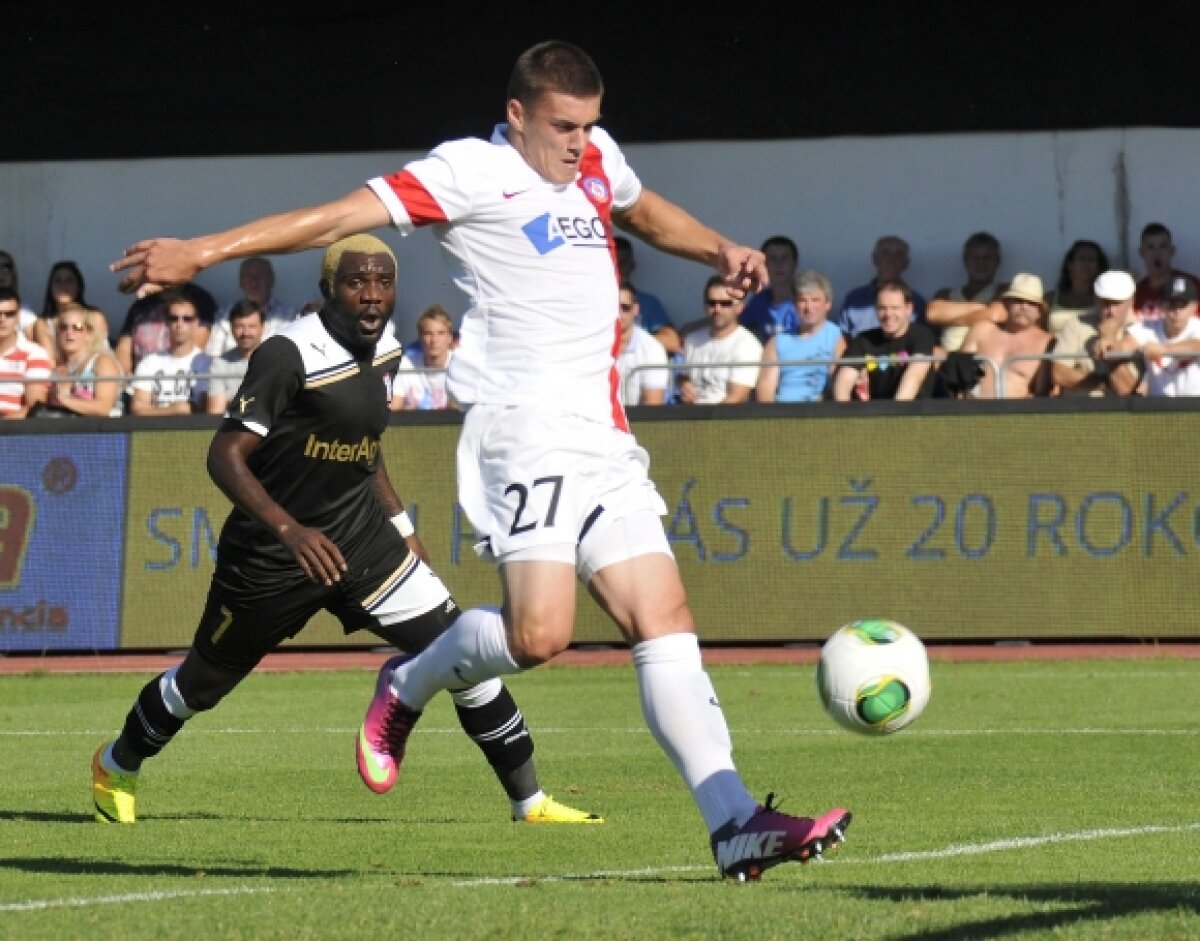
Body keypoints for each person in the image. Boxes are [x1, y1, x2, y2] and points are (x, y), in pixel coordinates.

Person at [111, 39, 850, 881]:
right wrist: (204, 251)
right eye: (564, 127)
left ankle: (734, 821)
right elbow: (337, 216)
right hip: (522, 428)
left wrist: (719, 249)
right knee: (541, 635)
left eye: (590, 126)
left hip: (604, 434)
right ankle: (411, 681)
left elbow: (643, 212)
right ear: (518, 117)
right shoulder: (468, 171)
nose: (580, 143)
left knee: (664, 617)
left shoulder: (598, 160)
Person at [93, 235, 600, 828]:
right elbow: (224, 455)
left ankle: (529, 802)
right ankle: (116, 764)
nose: (372, 296)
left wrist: (401, 525)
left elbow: (366, 450)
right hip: (271, 558)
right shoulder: (288, 354)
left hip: (362, 542)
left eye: (383, 282)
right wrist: (289, 529)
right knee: (201, 683)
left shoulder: (387, 349)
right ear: (327, 291)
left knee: (461, 648)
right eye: (357, 282)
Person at [832, 279, 937, 401]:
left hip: (913, 412)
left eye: (895, 308)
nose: (888, 314)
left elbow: (914, 376)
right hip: (873, 413)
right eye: (882, 308)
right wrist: (844, 416)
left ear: (908, 309)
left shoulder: (922, 336)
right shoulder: (863, 339)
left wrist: (894, 416)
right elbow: (844, 381)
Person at [958, 273, 1058, 399]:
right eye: (1018, 301)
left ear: (1039, 312)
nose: (1024, 307)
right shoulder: (982, 330)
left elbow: (1043, 393)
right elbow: (959, 375)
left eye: (1031, 303)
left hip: (1018, 413)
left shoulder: (1047, 342)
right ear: (1006, 304)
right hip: (972, 410)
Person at [756, 270, 846, 403]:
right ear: (794, 304)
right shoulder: (777, 342)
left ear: (828, 304)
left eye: (815, 300)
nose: (809, 307)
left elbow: (837, 386)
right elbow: (765, 390)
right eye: (802, 300)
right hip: (781, 413)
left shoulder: (837, 338)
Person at [1051, 270, 1143, 397]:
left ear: (1131, 301)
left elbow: (1126, 390)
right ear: (1095, 299)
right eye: (1105, 303)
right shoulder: (1076, 324)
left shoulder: (1141, 332)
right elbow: (1059, 374)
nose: (1111, 310)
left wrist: (1108, 338)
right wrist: (1102, 383)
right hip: (1079, 410)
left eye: (1117, 303)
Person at [678, 276, 763, 405]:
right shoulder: (692, 339)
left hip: (726, 419)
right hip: (689, 417)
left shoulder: (748, 346)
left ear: (740, 307)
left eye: (725, 303)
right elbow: (685, 377)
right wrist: (684, 385)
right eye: (712, 303)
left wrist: (707, 423)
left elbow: (736, 398)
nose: (717, 309)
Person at [128, 291, 212, 415]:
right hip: (157, 430)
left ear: (196, 323)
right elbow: (138, 408)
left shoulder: (208, 363)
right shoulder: (149, 362)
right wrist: (173, 410)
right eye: (174, 318)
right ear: (166, 322)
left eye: (187, 319)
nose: (179, 324)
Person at [115, 280, 217, 375]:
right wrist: (124, 380)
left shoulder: (200, 300)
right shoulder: (142, 303)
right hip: (141, 380)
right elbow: (124, 349)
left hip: (180, 379)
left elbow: (195, 348)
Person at [39, 305, 125, 417]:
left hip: (106, 430)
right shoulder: (57, 371)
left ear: (88, 334)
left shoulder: (102, 362)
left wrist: (63, 400)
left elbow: (103, 408)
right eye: (63, 327)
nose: (69, 332)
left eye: (77, 327)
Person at [205, 256, 297, 356]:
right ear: (241, 282)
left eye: (260, 275)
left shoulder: (289, 316)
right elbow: (213, 355)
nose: (254, 282)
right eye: (248, 276)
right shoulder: (224, 315)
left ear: (271, 280)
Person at [837, 235, 927, 337]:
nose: (891, 259)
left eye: (898, 254)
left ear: (906, 263)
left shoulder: (917, 302)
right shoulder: (854, 299)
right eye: (885, 253)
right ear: (875, 259)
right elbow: (843, 339)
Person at [1127, 274, 1200, 396]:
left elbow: (1196, 346)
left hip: (1195, 404)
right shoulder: (1148, 327)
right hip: (1158, 406)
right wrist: (1109, 343)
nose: (1176, 312)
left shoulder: (1197, 326)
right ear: (1161, 305)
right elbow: (1126, 344)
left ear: (1194, 306)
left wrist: (1163, 349)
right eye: (1171, 304)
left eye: (1182, 305)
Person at [931, 232, 1003, 353]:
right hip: (945, 363)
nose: (981, 263)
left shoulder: (1004, 290)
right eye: (975, 258)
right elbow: (932, 313)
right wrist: (985, 309)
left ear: (997, 261)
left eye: (987, 258)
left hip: (982, 362)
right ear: (965, 260)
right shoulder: (945, 294)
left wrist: (949, 316)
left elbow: (997, 315)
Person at [34, 260, 109, 361]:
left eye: (69, 281)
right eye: (58, 281)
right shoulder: (42, 323)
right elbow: (49, 361)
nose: (63, 285)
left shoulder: (95, 316)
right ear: (51, 288)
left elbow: (98, 353)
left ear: (79, 287)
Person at [390, 304, 456, 410]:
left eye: (441, 333)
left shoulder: (459, 364)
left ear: (450, 338)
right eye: (428, 334)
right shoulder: (405, 364)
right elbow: (393, 408)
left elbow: (457, 412)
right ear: (420, 338)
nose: (434, 340)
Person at [205, 299, 265, 415]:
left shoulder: (276, 361)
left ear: (262, 327)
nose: (245, 333)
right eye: (239, 326)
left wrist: (231, 403)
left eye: (252, 326)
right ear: (231, 328)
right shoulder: (220, 364)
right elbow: (215, 411)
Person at [0, 287, 52, 418]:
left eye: (9, 314)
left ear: (18, 316)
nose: (2, 319)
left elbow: (34, 407)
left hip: (11, 429)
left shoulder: (35, 354)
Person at [615, 281, 670, 406]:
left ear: (635, 309)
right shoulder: (593, 345)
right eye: (614, 307)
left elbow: (652, 405)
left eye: (625, 307)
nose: (619, 313)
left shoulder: (652, 349)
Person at [1133, 222, 1200, 324]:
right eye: (1151, 247)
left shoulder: (1192, 286)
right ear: (1141, 253)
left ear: (1172, 251)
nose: (1157, 254)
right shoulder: (1136, 292)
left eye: (1163, 247)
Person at [738, 234, 799, 344]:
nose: (779, 264)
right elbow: (730, 322)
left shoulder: (806, 301)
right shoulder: (759, 301)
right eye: (773, 259)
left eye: (784, 258)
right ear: (764, 265)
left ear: (794, 264)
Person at [1046, 239, 1109, 334]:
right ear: (1070, 265)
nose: (1086, 264)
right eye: (1081, 259)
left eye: (1091, 260)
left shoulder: (1106, 300)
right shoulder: (1050, 299)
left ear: (1099, 267)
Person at [614, 235, 672, 334]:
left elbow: (671, 340)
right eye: (615, 263)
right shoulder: (591, 302)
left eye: (623, 263)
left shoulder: (648, 303)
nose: (619, 268)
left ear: (632, 266)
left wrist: (631, 345)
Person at [0, 250, 39, 339]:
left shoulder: (25, 313)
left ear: (13, 275)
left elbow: (33, 349)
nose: (1, 273)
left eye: (6, 268)